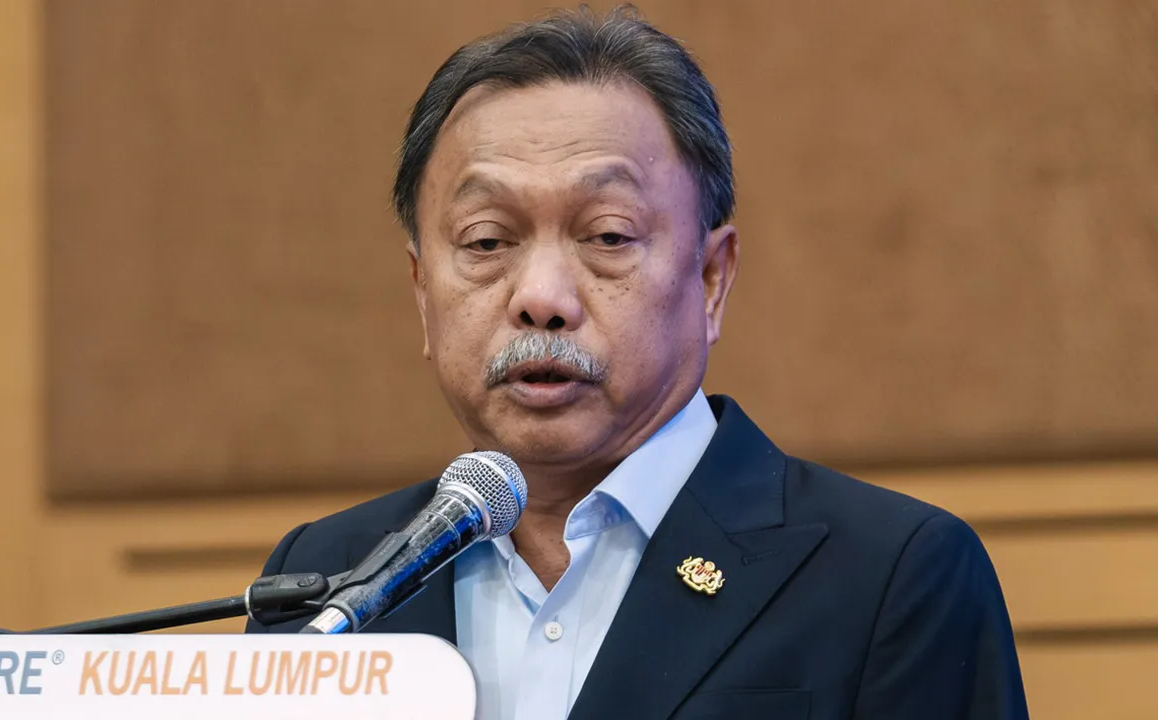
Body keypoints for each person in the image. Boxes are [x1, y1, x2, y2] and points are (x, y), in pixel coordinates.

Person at [247, 6, 1029, 719]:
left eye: (609, 235)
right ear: (423, 291)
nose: (543, 297)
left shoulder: (888, 576)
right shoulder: (329, 581)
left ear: (712, 278)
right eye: (487, 241)